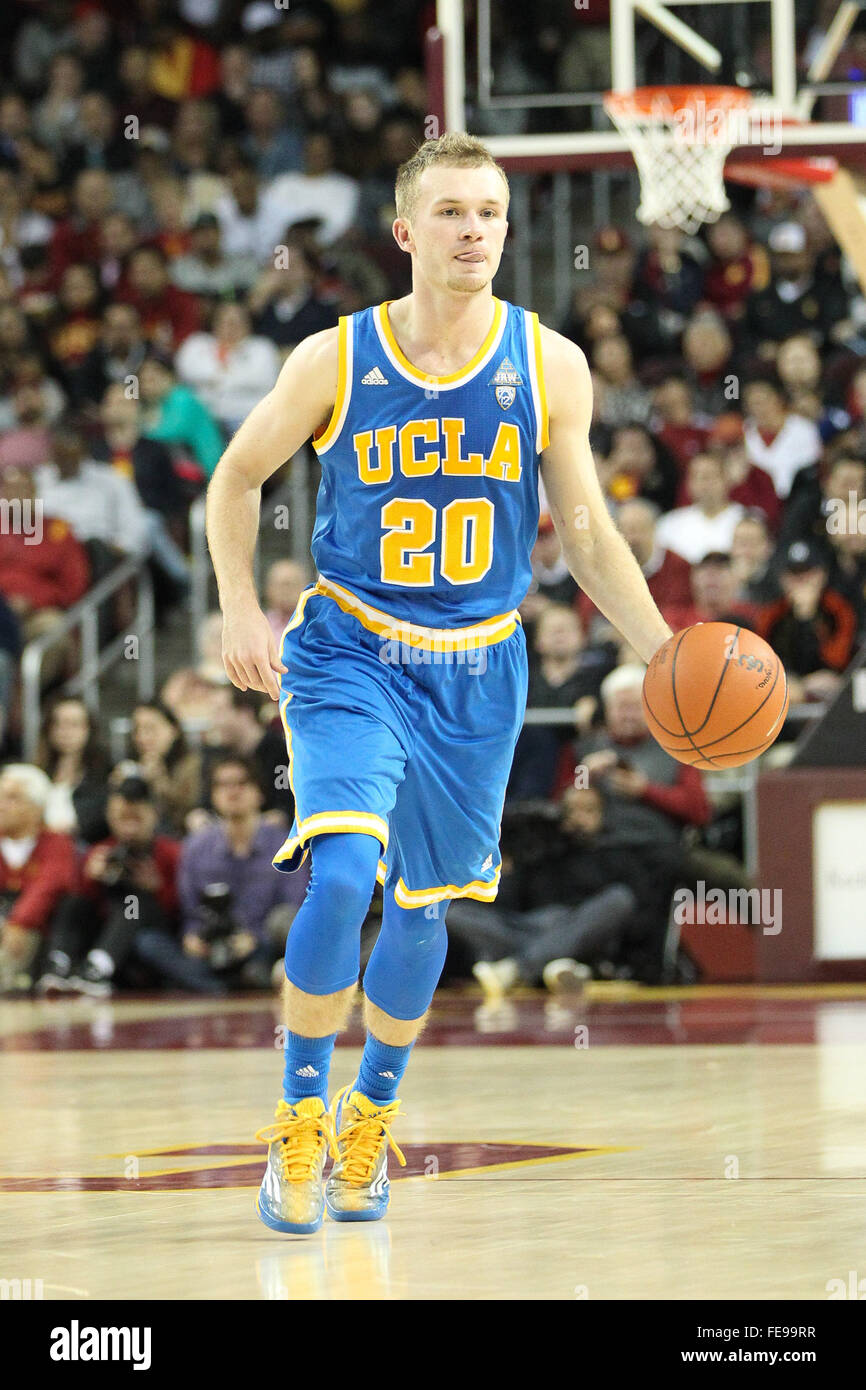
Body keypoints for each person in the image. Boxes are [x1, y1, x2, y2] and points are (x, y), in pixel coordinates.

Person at [205, 132, 673, 1234]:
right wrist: (237, 606)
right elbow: (233, 479)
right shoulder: (333, 355)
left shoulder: (549, 362)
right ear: (407, 232)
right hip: (349, 648)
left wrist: (661, 650)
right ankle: (299, 1115)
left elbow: (591, 534)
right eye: (453, 212)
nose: (475, 231)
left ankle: (372, 1116)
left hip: (477, 666)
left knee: (422, 912)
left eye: (492, 212)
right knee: (341, 871)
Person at [179, 754, 309, 990]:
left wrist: (255, 938)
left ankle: (230, 981)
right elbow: (190, 911)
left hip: (264, 946)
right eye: (223, 784)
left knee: (280, 939)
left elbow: (293, 909)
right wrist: (193, 937)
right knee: (150, 944)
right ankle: (219, 984)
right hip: (213, 949)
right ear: (212, 794)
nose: (233, 791)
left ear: (259, 792)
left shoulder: (285, 845)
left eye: (241, 783)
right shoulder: (196, 847)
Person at [0, 763, 78, 994]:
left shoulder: (56, 843)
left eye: (12, 798)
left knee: (21, 938)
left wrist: (19, 921)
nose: (2, 806)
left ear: (37, 807)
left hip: (32, 928)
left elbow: (48, 886)